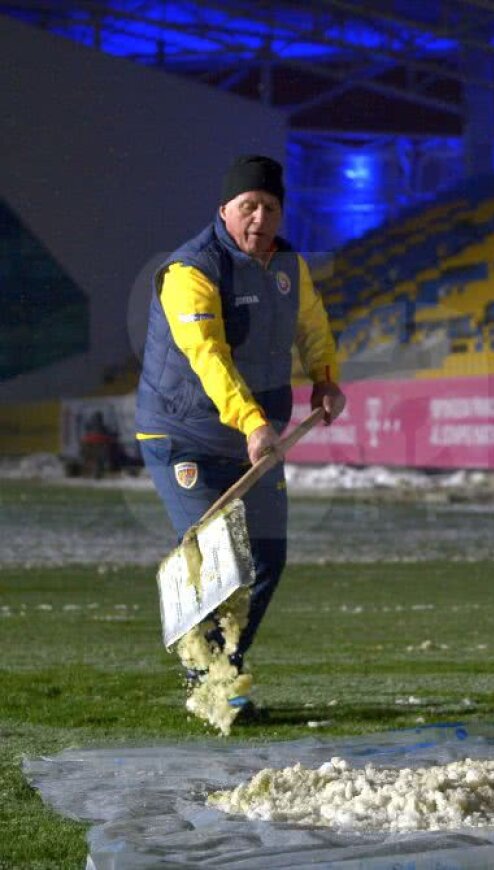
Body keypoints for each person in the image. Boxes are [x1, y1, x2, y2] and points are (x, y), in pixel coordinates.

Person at [135, 154, 346, 713]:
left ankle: (225, 667)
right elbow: (209, 358)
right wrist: (252, 422)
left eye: (269, 206)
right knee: (217, 556)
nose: (258, 216)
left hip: (257, 436)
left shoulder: (289, 267)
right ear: (224, 209)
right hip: (185, 435)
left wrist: (325, 380)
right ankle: (204, 678)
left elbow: (313, 326)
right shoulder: (190, 272)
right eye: (247, 205)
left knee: (268, 555)